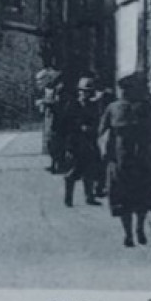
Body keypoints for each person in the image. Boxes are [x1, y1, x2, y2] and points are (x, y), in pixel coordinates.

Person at [99, 72, 151, 248]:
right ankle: (128, 234)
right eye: (122, 90)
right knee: (121, 199)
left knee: (141, 197)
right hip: (119, 159)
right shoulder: (112, 108)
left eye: (128, 89)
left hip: (140, 158)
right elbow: (102, 132)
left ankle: (140, 228)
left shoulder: (144, 107)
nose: (124, 93)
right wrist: (106, 153)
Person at [61, 77, 104, 208]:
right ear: (79, 92)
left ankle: (89, 196)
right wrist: (79, 128)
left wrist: (93, 129)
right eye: (83, 91)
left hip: (90, 142)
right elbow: (66, 125)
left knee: (90, 171)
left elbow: (97, 121)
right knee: (74, 171)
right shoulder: (72, 105)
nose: (85, 94)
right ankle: (68, 198)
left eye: (88, 91)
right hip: (76, 143)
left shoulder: (93, 106)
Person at [36, 79, 66, 174]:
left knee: (57, 145)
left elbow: (55, 104)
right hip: (54, 123)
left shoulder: (62, 98)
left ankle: (58, 165)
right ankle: (54, 164)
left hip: (59, 124)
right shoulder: (54, 97)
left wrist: (44, 102)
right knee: (52, 144)